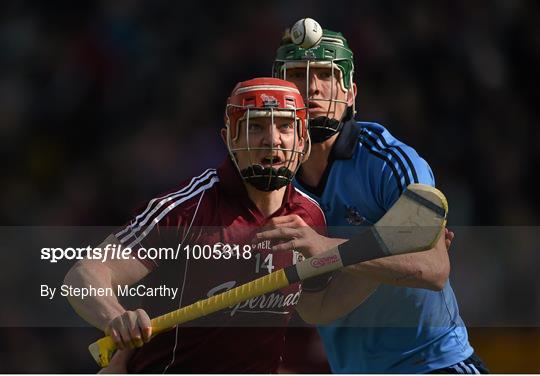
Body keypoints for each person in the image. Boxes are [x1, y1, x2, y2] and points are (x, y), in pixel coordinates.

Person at [256, 24, 490, 373]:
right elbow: (314, 308)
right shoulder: (272, 184)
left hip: (435, 363)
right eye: (299, 76)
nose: (313, 87)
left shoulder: (389, 160)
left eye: (325, 74)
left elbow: (434, 269)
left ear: (350, 93)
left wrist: (328, 250)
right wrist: (383, 246)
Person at [64, 77, 327, 373]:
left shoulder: (311, 216)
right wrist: (115, 318)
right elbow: (84, 275)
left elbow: (322, 309)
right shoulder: (187, 210)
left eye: (285, 126)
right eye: (255, 126)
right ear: (230, 139)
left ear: (303, 143)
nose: (272, 139)